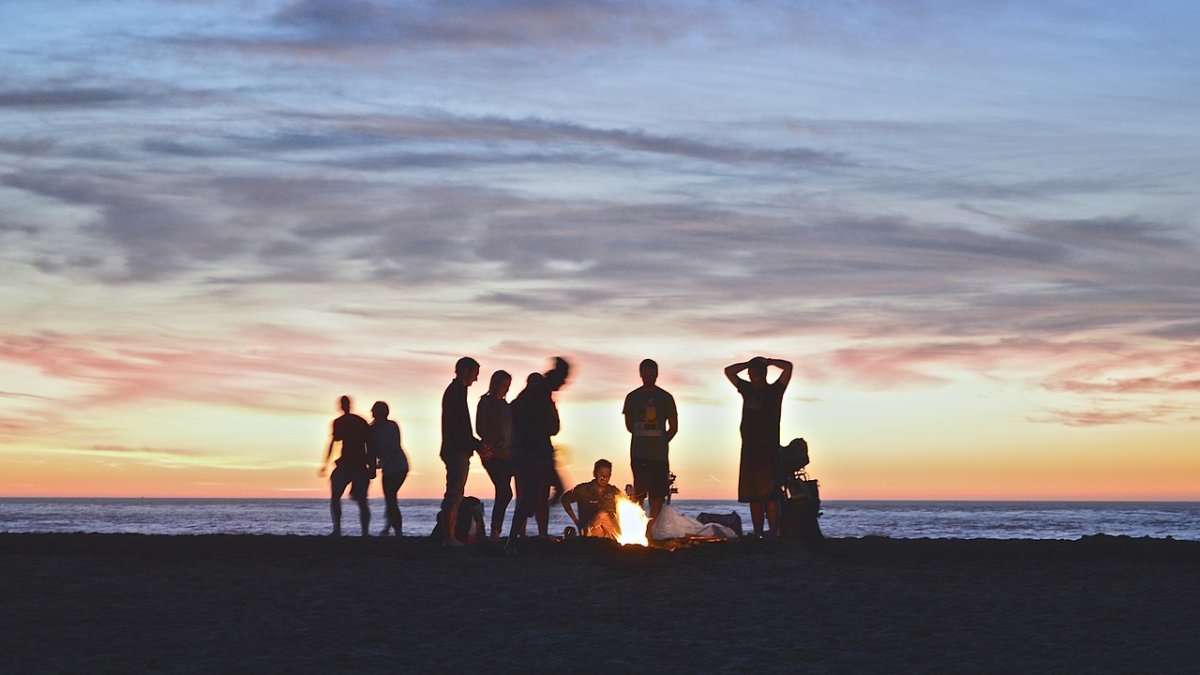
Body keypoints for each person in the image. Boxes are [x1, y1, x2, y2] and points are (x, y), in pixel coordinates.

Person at [725, 356, 793, 537]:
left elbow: (788, 367)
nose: (752, 377)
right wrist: (748, 363)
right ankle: (758, 533)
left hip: (768, 451)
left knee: (770, 496)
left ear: (763, 374)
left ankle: (774, 533)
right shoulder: (746, 389)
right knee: (753, 497)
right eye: (750, 374)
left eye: (755, 373)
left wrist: (769, 361)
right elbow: (729, 371)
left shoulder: (774, 391)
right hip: (748, 451)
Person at [506, 357, 570, 550]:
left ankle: (516, 536)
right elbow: (551, 426)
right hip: (533, 453)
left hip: (538, 452)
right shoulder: (539, 392)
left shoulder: (540, 394)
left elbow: (552, 426)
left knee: (553, 490)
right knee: (531, 498)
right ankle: (512, 541)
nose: (565, 383)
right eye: (564, 378)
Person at [622, 358, 678, 521]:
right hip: (639, 454)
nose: (648, 377)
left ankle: (651, 529)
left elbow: (674, 428)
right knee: (639, 493)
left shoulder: (666, 398)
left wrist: (661, 441)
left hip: (659, 456)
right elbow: (629, 425)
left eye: (651, 374)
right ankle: (638, 526)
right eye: (645, 374)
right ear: (640, 374)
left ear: (657, 374)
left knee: (657, 495)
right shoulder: (632, 397)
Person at [318, 395, 374, 536]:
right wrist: (325, 463)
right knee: (340, 497)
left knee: (359, 500)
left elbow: (369, 443)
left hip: (357, 464)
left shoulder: (356, 421)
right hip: (349, 463)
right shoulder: (345, 422)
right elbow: (333, 442)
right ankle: (339, 529)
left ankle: (360, 532)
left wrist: (372, 465)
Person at [440, 357, 481, 546]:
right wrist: (477, 445)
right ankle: (449, 536)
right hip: (456, 449)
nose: (476, 379)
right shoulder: (455, 392)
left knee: (455, 491)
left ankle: (449, 535)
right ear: (466, 371)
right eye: (475, 374)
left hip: (456, 448)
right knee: (455, 492)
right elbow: (460, 427)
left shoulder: (457, 391)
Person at [476, 370, 514, 541]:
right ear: (496, 384)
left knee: (504, 492)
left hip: (508, 454)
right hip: (492, 453)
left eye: (508, 386)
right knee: (504, 491)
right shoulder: (486, 402)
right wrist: (494, 440)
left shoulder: (507, 406)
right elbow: (480, 427)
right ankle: (495, 532)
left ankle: (497, 532)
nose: (506, 389)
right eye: (504, 385)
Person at [368, 401, 409, 536]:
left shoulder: (390, 426)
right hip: (390, 467)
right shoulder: (373, 429)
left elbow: (391, 447)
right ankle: (389, 527)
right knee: (390, 498)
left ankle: (397, 530)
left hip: (398, 466)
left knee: (391, 498)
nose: (371, 413)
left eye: (373, 410)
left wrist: (375, 466)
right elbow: (372, 451)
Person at [560, 459, 621, 539]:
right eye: (601, 473)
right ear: (595, 473)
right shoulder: (583, 489)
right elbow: (565, 499)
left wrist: (631, 495)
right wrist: (576, 522)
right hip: (591, 531)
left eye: (607, 475)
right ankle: (620, 540)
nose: (604, 477)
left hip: (609, 532)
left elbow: (628, 505)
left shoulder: (613, 491)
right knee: (602, 515)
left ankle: (620, 540)